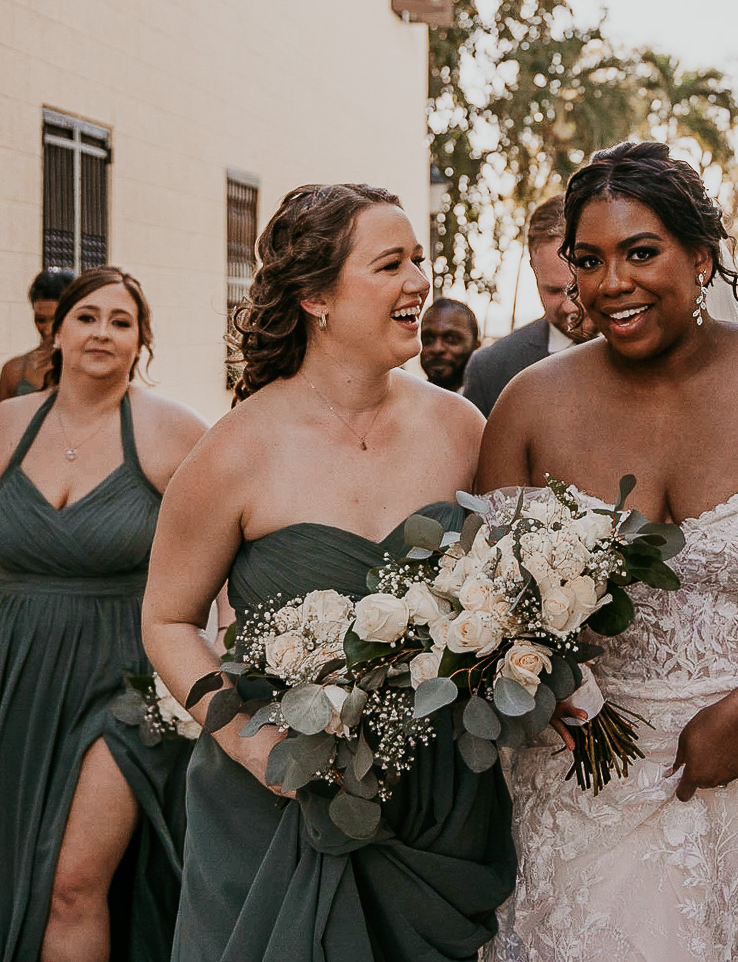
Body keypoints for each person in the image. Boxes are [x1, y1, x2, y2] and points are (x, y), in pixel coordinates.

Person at [477, 141, 738, 962]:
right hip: (584, 775)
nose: (611, 283)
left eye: (641, 252)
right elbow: (498, 602)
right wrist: (556, 687)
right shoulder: (529, 406)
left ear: (702, 257)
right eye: (588, 260)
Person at [142, 184, 515, 960]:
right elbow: (168, 621)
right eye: (391, 264)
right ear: (315, 295)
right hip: (280, 796)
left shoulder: (462, 428)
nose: (419, 282)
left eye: (420, 260)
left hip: (439, 794)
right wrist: (248, 744)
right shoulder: (234, 449)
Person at [0, 265, 209, 962]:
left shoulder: (176, 436)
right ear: (56, 330)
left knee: (74, 884)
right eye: (87, 317)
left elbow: (221, 560)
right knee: (18, 867)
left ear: (141, 342)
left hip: (127, 681)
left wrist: (206, 675)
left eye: (121, 321)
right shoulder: (0, 432)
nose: (102, 332)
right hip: (12, 675)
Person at [462, 194, 590, 416]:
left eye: (577, 288)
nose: (570, 307)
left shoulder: (654, 351)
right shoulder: (491, 370)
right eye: (553, 291)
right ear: (534, 270)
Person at [0, 267, 76, 401]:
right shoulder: (13, 371)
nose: (48, 329)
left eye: (56, 320)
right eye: (41, 320)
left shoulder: (92, 368)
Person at [420, 297, 482, 392]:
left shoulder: (492, 402)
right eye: (428, 339)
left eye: (451, 339)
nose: (437, 349)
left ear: (475, 347)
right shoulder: (406, 401)